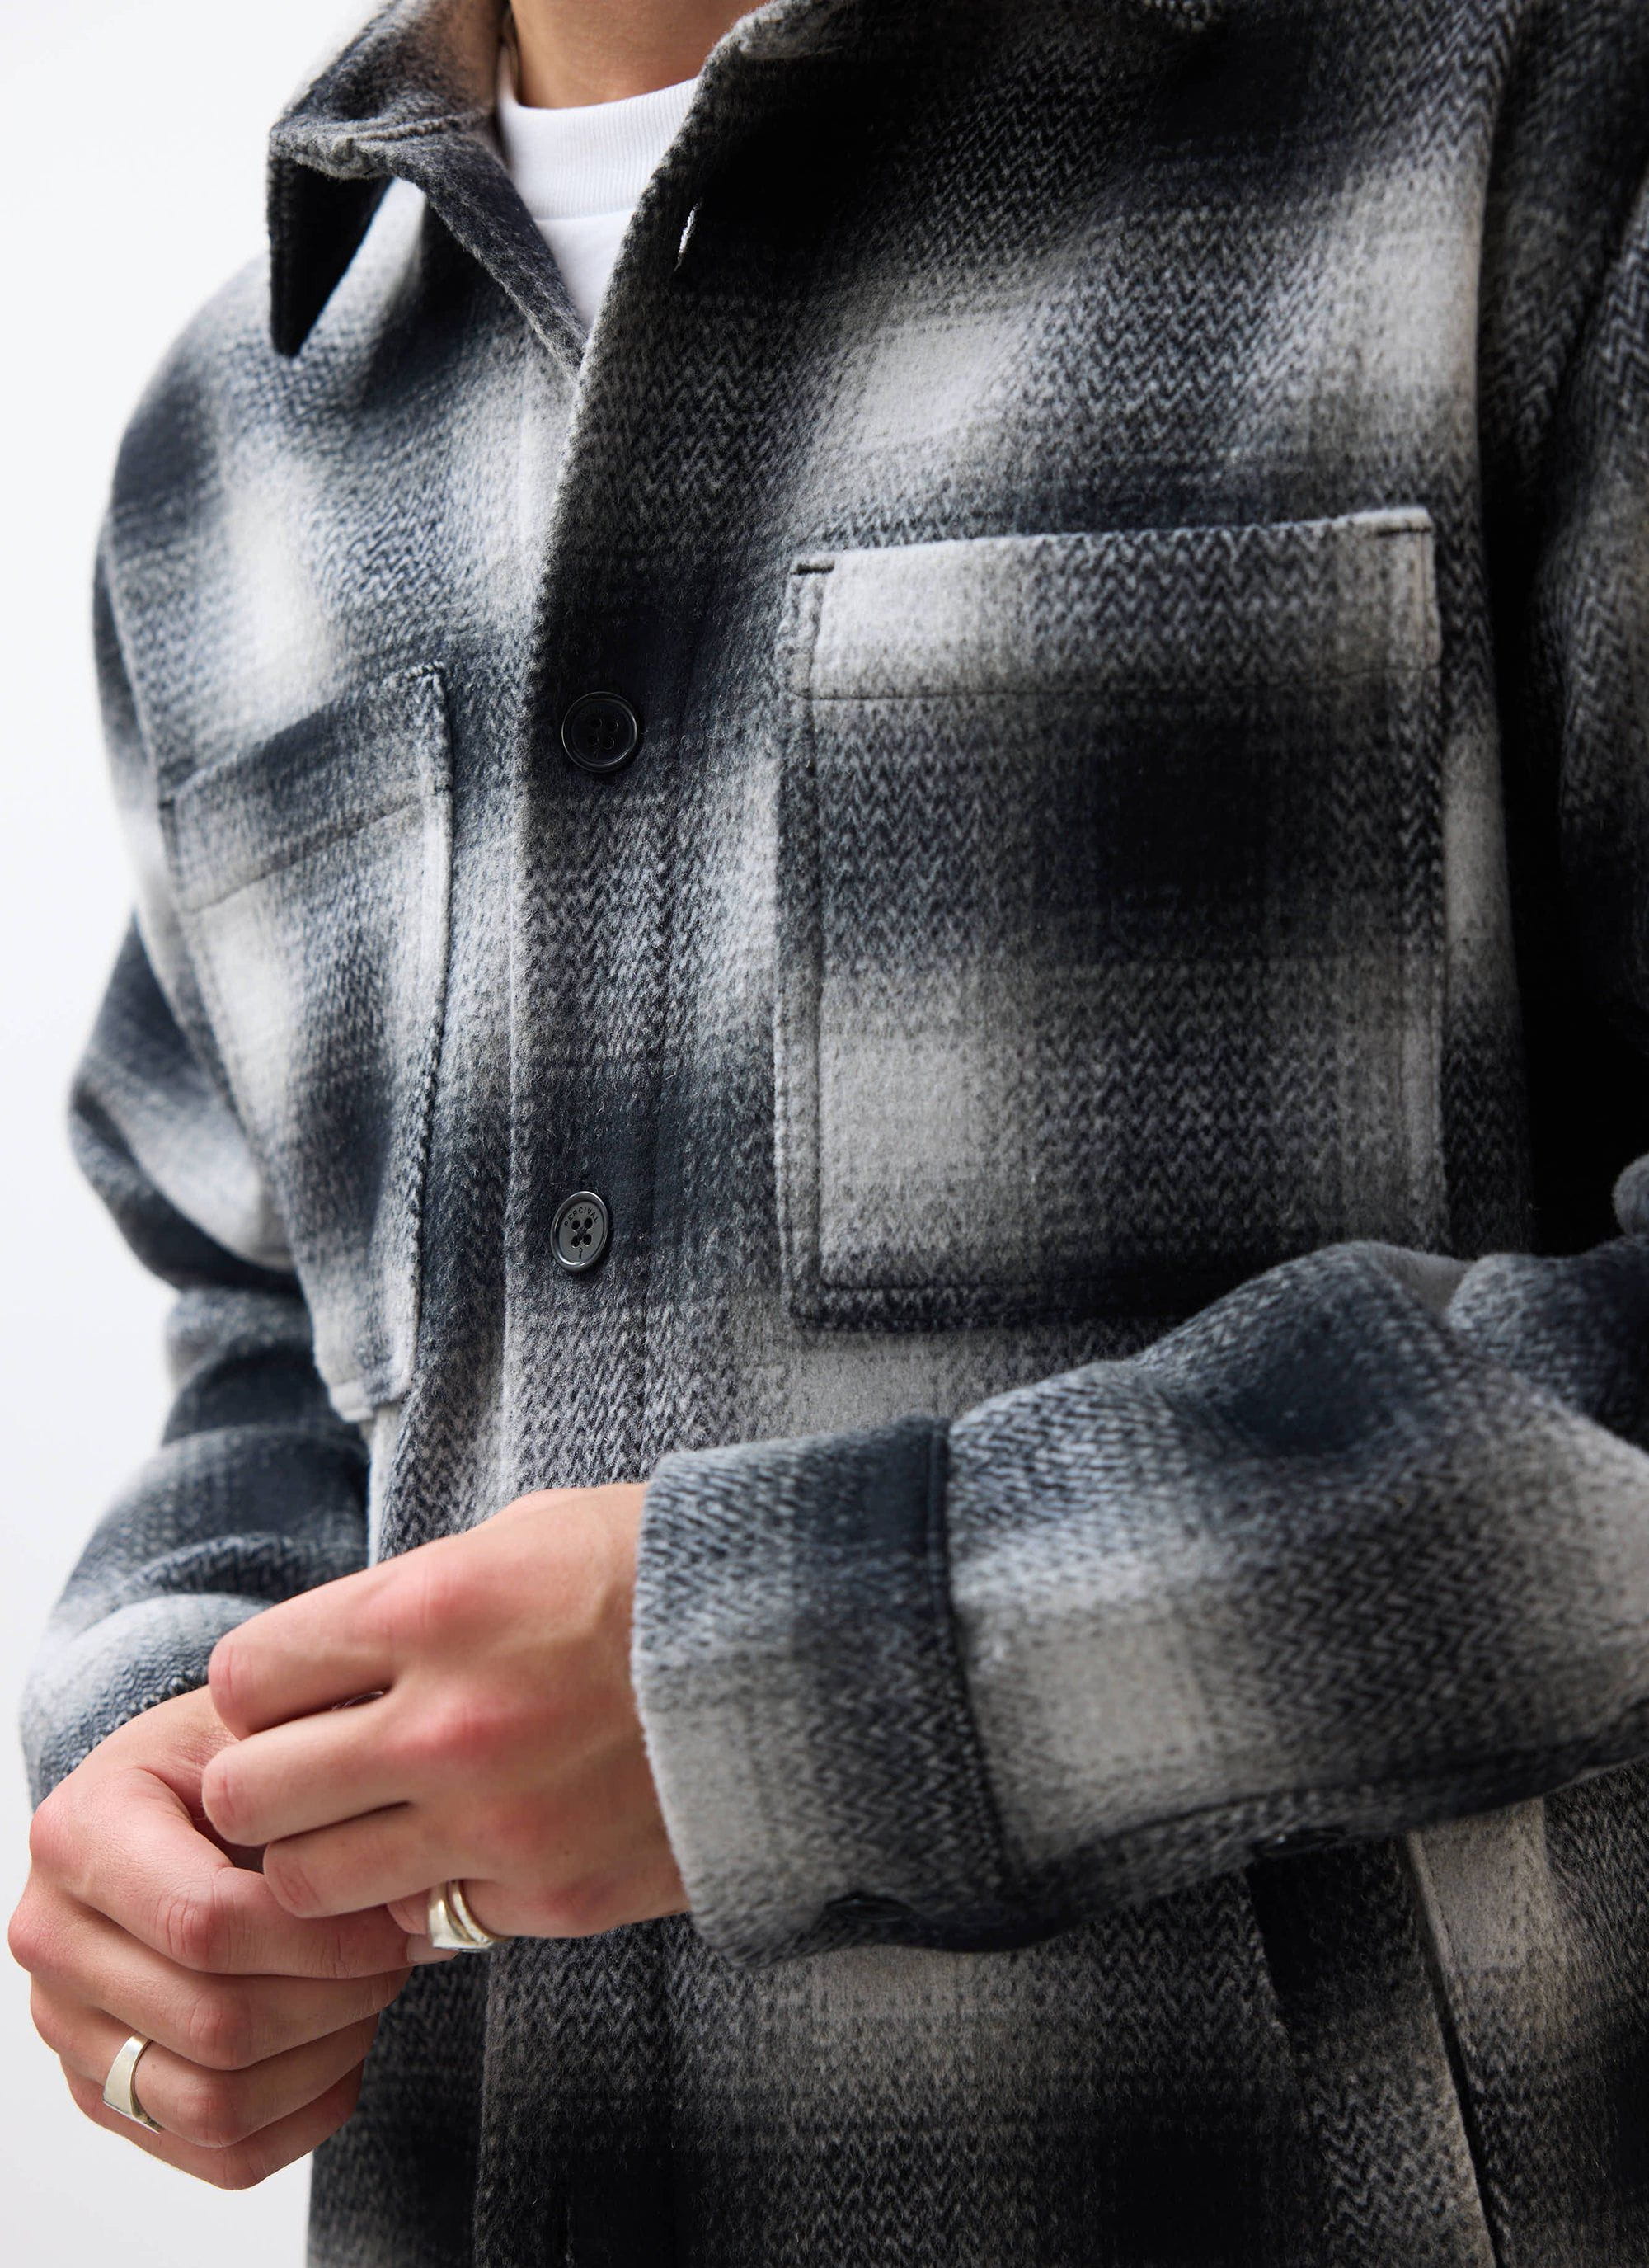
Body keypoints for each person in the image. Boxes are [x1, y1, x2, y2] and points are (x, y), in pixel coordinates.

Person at [10, 0, 1649, 2257]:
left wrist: (782, 1682)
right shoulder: (237, 437)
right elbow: (263, 1322)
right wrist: (156, 1743)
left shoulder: (1527, 124)